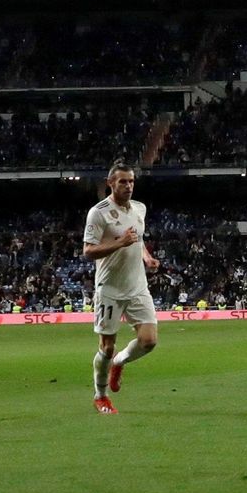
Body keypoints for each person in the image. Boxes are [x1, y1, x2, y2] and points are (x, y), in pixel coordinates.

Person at [82, 160, 161, 415]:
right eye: (123, 182)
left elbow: (137, 239)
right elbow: (88, 251)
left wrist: (145, 256)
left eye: (131, 181)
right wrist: (120, 242)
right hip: (110, 289)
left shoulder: (140, 208)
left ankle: (120, 362)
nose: (128, 186)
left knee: (149, 341)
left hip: (137, 286)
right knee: (106, 347)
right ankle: (100, 396)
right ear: (110, 184)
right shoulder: (99, 212)